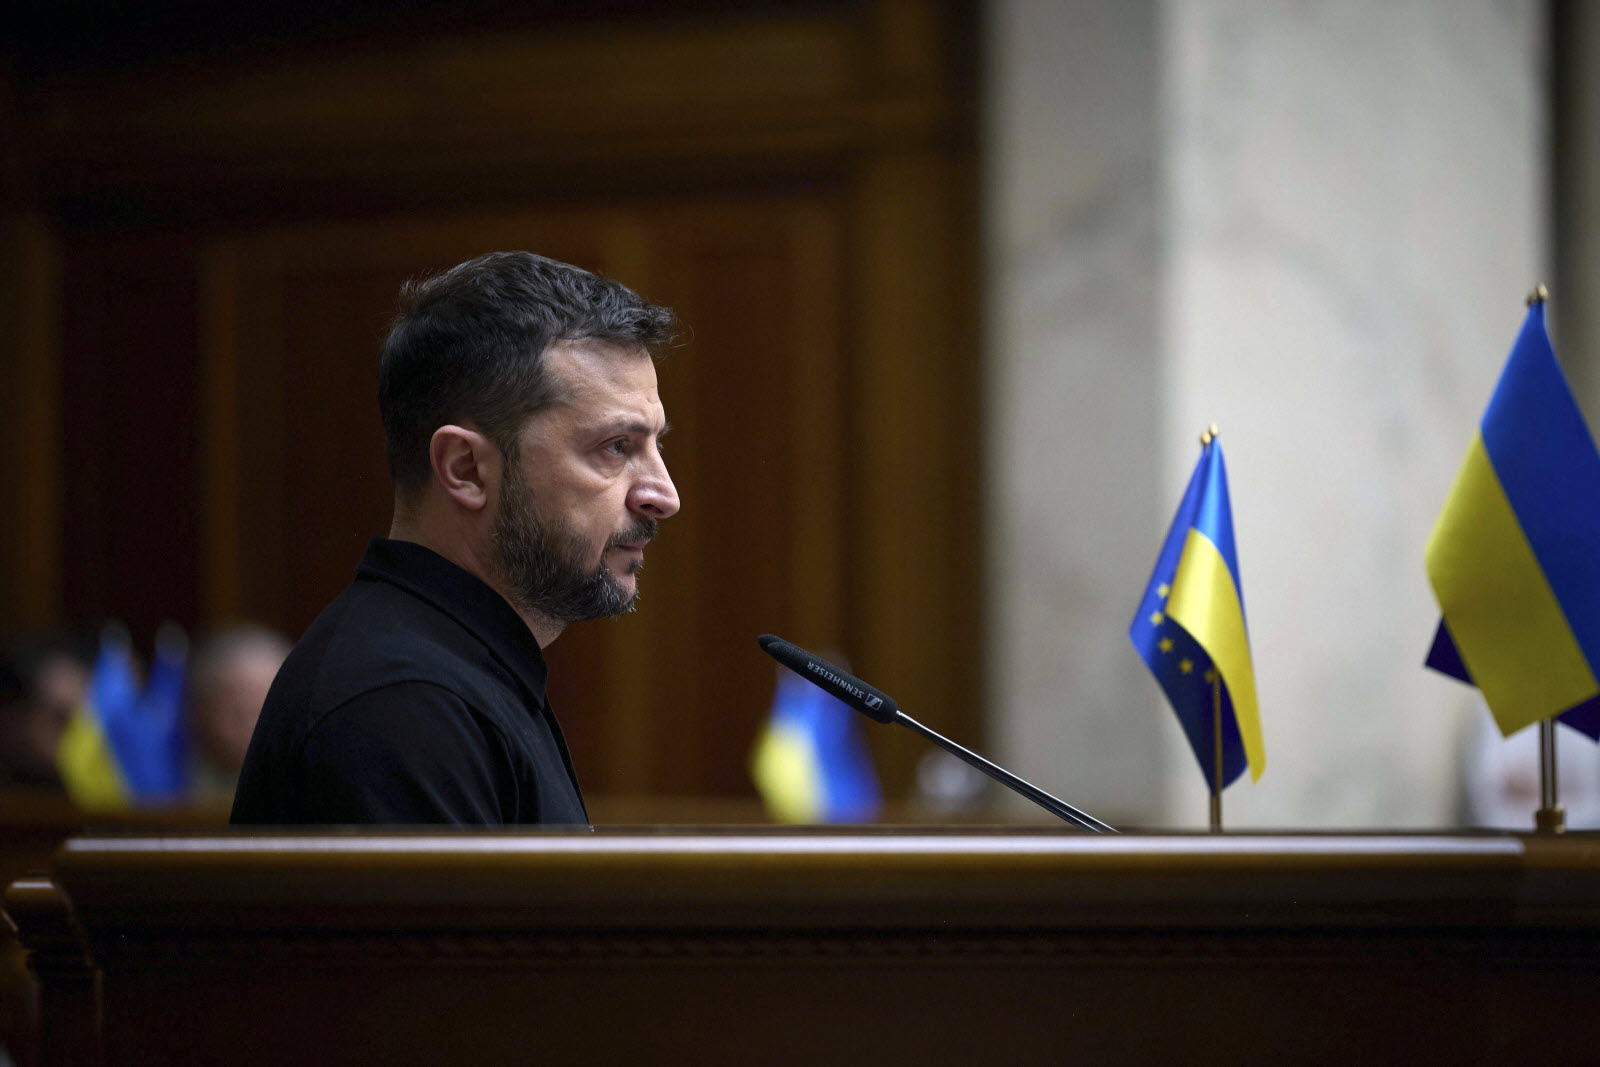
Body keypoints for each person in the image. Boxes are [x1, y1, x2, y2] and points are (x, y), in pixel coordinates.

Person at [231, 251, 680, 825]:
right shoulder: (401, 703)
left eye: (655, 446)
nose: (663, 495)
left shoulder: (461, 666)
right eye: (616, 447)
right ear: (466, 468)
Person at [186, 623, 291, 804]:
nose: (255, 725)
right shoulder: (169, 785)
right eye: (241, 710)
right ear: (201, 711)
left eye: (267, 712)